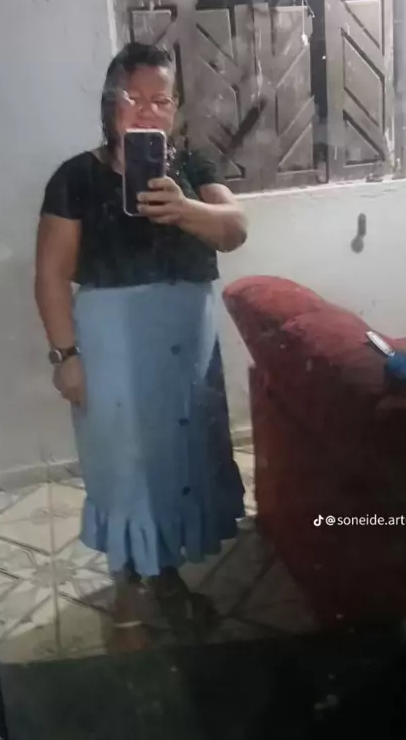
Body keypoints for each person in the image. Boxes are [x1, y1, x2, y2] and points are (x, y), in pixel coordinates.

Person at [35, 42, 247, 642]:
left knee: (179, 461)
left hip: (187, 342)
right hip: (115, 348)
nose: (149, 109)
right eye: (134, 97)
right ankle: (130, 592)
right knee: (127, 468)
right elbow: (50, 274)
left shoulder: (193, 167)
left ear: (175, 108)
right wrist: (66, 358)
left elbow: (234, 229)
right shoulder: (76, 177)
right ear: (110, 103)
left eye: (162, 99)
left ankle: (165, 575)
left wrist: (185, 209)